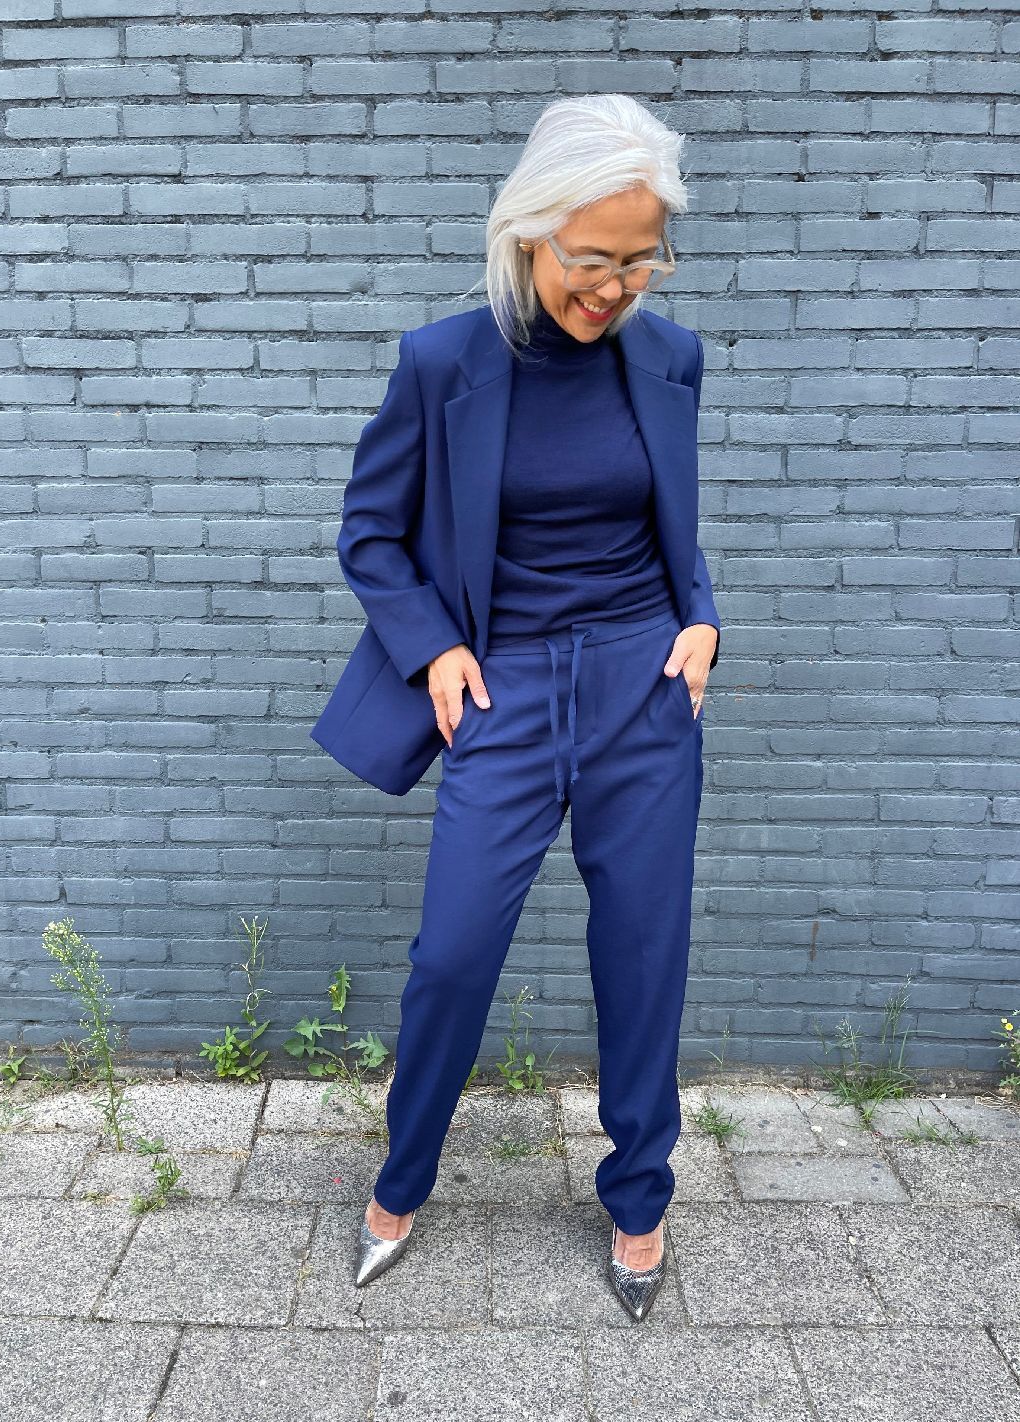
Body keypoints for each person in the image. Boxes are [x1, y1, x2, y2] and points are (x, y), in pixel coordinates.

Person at [321, 94, 721, 1321]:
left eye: (639, 261)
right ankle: (400, 1179)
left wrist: (702, 620)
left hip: (642, 687)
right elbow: (369, 534)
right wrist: (434, 649)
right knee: (451, 955)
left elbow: (673, 523)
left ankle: (639, 1197)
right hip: (501, 687)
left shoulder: (669, 357)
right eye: (591, 259)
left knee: (642, 954)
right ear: (528, 234)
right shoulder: (443, 363)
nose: (613, 287)